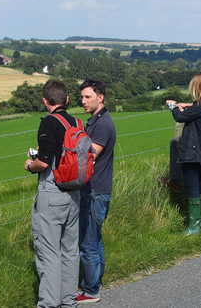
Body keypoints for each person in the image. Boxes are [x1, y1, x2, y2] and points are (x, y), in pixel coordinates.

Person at [24, 80, 81, 307]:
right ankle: (69, 302)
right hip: (75, 193)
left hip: (52, 192)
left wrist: (30, 165)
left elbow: (44, 162)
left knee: (49, 254)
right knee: (69, 251)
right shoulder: (76, 122)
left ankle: (49, 304)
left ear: (45, 101)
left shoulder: (49, 123)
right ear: (66, 100)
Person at [165, 72, 201, 235]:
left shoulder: (199, 106)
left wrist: (173, 107)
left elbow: (181, 117)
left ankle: (193, 226)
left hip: (193, 150)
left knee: (192, 185)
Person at [77, 79, 116, 303]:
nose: (83, 101)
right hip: (98, 189)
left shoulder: (101, 125)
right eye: (82, 97)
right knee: (95, 239)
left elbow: (90, 155)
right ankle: (94, 282)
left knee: (88, 243)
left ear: (100, 97)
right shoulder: (96, 120)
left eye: (87, 97)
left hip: (95, 190)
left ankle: (91, 290)